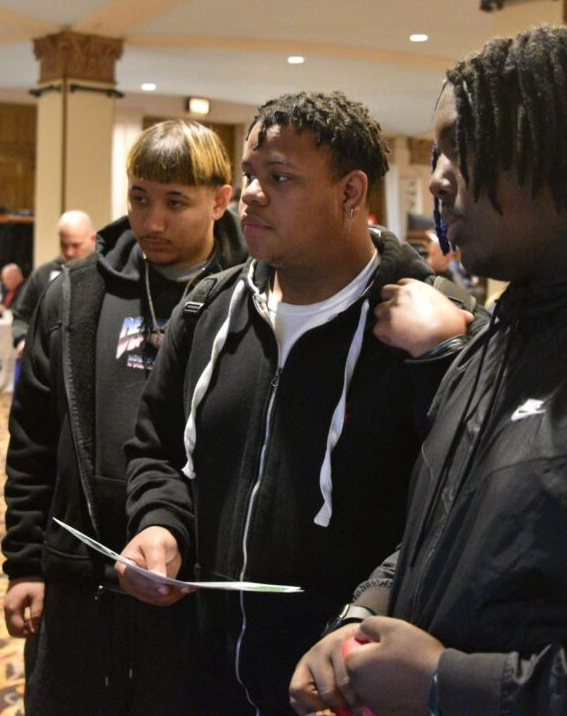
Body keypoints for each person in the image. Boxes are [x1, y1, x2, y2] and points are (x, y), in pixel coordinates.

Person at [289, 24, 567, 716]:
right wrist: (360, 618)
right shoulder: (493, 345)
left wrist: (450, 685)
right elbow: (443, 539)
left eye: (463, 147)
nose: (436, 179)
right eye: (436, 153)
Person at [118, 92, 476, 715]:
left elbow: (454, 510)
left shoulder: (428, 329)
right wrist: (158, 522)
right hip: (202, 673)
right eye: (250, 174)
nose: (253, 192)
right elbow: (156, 449)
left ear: (350, 193)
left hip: (347, 684)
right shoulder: (208, 309)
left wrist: (367, 616)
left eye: (279, 177)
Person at [2, 120, 248, 715]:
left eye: (175, 202)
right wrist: (24, 563)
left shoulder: (251, 297)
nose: (152, 222)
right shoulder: (73, 296)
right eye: (139, 198)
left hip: (193, 586)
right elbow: (32, 438)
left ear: (220, 200)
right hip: (80, 577)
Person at [10, 209, 97, 351]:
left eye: (76, 245)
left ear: (93, 239)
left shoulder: (104, 274)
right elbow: (21, 317)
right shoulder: (43, 275)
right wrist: (22, 341)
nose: (69, 252)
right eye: (64, 245)